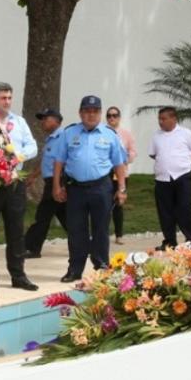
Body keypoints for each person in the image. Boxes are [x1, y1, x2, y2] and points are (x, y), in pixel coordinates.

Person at [53, 95, 127, 283]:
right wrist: (56, 186)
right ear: (80, 113)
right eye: (87, 111)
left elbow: (119, 163)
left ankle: (101, 266)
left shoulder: (110, 134)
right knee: (76, 230)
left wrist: (121, 188)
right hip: (75, 189)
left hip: (101, 187)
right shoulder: (69, 133)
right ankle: (75, 269)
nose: (91, 115)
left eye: (95, 111)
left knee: (101, 228)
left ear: (100, 113)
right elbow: (59, 161)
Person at [0, 81, 39, 295]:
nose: (8, 101)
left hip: (15, 183)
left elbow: (32, 146)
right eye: (3, 98)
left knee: (16, 232)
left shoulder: (19, 122)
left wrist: (18, 157)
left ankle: (18, 276)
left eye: (10, 97)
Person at [148, 106, 191, 250]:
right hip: (162, 179)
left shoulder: (186, 133)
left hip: (182, 177)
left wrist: (184, 161)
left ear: (174, 118)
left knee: (184, 209)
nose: (160, 122)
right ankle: (170, 242)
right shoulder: (156, 136)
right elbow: (153, 154)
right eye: (159, 119)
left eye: (164, 119)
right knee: (165, 212)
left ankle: (190, 241)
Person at [23, 108, 67, 259]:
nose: (42, 122)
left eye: (46, 119)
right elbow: (46, 161)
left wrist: (61, 184)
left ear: (56, 121)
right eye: (42, 119)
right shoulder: (51, 139)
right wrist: (33, 176)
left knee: (42, 216)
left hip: (58, 180)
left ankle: (31, 248)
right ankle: (85, 245)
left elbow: (64, 161)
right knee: (66, 217)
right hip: (51, 181)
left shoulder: (63, 137)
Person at [105, 107, 137, 245]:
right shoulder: (102, 132)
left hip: (121, 173)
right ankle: (103, 235)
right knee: (104, 205)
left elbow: (133, 151)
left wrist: (126, 160)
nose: (112, 118)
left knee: (118, 204)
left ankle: (119, 235)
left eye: (115, 115)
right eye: (109, 115)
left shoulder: (126, 134)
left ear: (119, 117)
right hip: (105, 173)